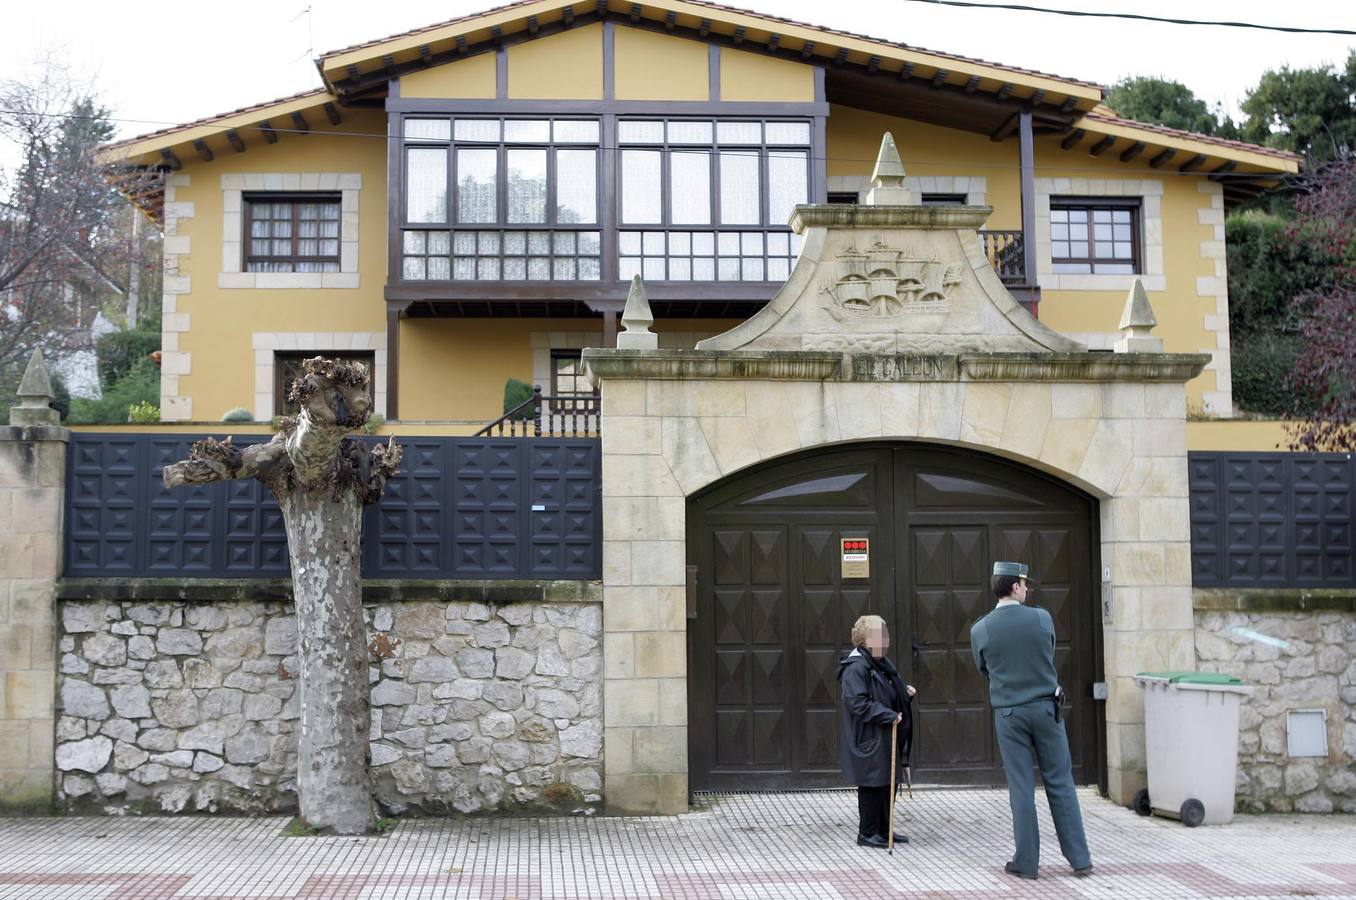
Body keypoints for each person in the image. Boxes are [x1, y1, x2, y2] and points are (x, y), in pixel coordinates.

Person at [970, 561, 1093, 880]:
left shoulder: (980, 628)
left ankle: (1026, 863)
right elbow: (1048, 652)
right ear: (1014, 587)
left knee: (1021, 787)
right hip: (1046, 709)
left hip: (1010, 713)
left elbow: (983, 668)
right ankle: (1080, 860)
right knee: (1061, 782)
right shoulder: (1041, 618)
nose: (1027, 589)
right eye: (1024, 584)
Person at [837, 614, 917, 849]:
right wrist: (888, 714)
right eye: (879, 636)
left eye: (886, 635)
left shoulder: (880, 664)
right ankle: (868, 832)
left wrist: (904, 693)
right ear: (864, 640)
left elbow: (887, 692)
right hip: (869, 737)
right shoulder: (856, 667)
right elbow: (858, 703)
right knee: (873, 784)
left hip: (885, 735)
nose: (885, 640)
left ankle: (884, 829)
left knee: (886, 782)